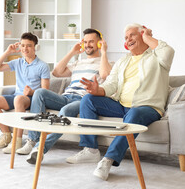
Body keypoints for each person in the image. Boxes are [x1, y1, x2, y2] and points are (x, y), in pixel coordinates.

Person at [66, 23, 175, 181]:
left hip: (147, 107)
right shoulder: (123, 61)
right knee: (88, 99)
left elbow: (168, 51)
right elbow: (111, 84)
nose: (128, 39)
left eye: (132, 35)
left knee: (135, 112)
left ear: (142, 34)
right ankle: (90, 150)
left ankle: (108, 160)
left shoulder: (157, 57)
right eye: (125, 37)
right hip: (121, 106)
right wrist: (98, 90)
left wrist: (147, 37)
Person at [15, 28, 112, 164]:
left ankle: (40, 149)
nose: (88, 45)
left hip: (83, 100)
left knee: (65, 112)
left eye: (91, 42)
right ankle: (32, 140)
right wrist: (72, 52)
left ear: (100, 43)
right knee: (39, 92)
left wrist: (104, 53)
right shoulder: (78, 63)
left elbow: (105, 75)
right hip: (66, 97)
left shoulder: (106, 63)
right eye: (85, 42)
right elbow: (56, 72)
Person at [0, 32, 50, 152]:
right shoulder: (18, 62)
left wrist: (31, 92)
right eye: (22, 45)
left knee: (18, 99)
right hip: (17, 96)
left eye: (28, 45)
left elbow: (45, 91)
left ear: (35, 47)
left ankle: (17, 140)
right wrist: (8, 52)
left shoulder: (43, 66)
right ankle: (6, 135)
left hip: (31, 98)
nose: (25, 48)